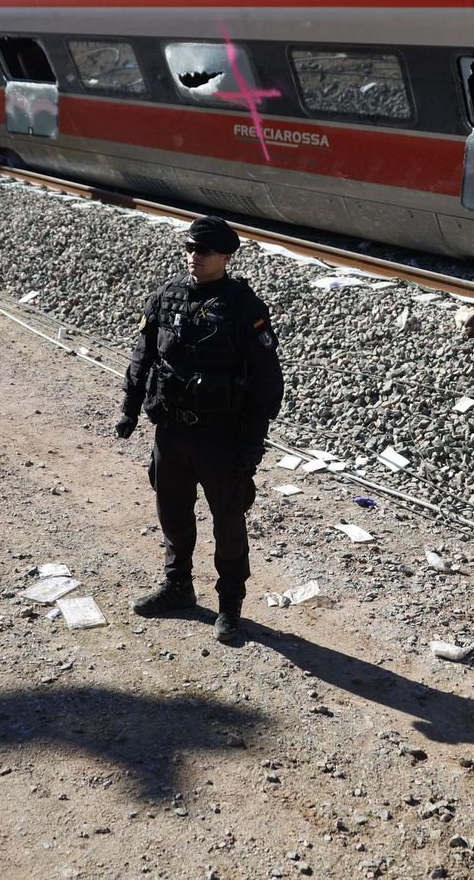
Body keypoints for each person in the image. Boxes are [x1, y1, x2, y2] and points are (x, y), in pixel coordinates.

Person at [115, 216, 283, 643]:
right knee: (171, 512)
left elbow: (267, 378)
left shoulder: (243, 305)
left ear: (225, 257)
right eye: (190, 249)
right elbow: (142, 357)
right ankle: (178, 587)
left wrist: (253, 439)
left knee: (227, 523)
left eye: (204, 251)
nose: (195, 257)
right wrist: (129, 410)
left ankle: (230, 607)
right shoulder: (166, 296)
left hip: (221, 436)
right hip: (171, 431)